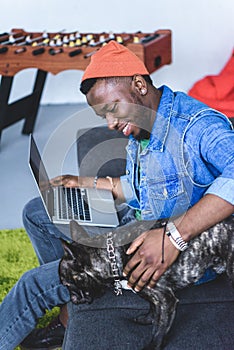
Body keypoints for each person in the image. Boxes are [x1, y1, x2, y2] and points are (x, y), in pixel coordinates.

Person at [0, 40, 234, 350]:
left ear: (138, 84)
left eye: (113, 110)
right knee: (38, 212)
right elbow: (143, 187)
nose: (111, 124)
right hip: (138, 223)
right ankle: (76, 305)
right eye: (104, 117)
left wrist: (173, 236)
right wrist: (88, 183)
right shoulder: (144, 125)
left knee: (34, 284)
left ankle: (75, 287)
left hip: (166, 251)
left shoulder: (198, 126)